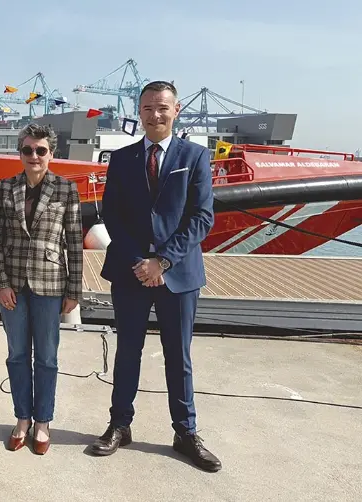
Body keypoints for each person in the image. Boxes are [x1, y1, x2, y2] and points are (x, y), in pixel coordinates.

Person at [89, 81, 221, 472]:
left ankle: (186, 432)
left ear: (176, 110)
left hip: (178, 273)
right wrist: (140, 261)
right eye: (147, 108)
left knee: (178, 356)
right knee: (127, 351)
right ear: (140, 112)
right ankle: (120, 424)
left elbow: (201, 217)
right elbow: (112, 215)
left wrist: (161, 262)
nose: (155, 114)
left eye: (162, 107)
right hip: (130, 271)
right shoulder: (122, 159)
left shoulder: (195, 157)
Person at [0, 123, 83, 455]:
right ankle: (22, 419)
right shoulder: (5, 187)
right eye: (27, 150)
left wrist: (74, 290)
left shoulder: (66, 189)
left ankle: (43, 421)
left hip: (50, 283)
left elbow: (74, 243)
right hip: (12, 285)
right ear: (20, 153)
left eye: (41, 150)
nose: (34, 156)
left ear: (51, 153)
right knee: (16, 355)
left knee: (47, 357)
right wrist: (0, 284)